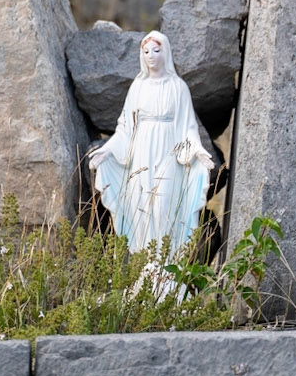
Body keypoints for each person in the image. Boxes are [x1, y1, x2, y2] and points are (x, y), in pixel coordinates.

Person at [88, 31, 214, 260]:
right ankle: (146, 263)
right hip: (141, 153)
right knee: (142, 204)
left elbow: (188, 126)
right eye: (146, 52)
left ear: (165, 53)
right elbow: (125, 127)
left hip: (168, 152)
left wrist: (197, 149)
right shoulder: (138, 87)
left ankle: (166, 262)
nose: (151, 56)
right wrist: (107, 150)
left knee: (164, 203)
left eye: (156, 51)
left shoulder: (178, 87)